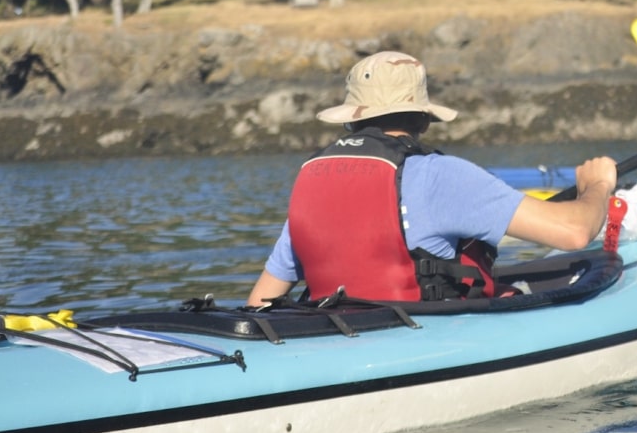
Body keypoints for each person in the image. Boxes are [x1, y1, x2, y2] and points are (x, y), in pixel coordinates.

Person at [246, 51, 617, 306]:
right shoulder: (442, 175)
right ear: (423, 119)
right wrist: (597, 185)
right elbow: (575, 232)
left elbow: (260, 301)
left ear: (350, 120)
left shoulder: (313, 180)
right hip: (422, 338)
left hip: (334, 336)